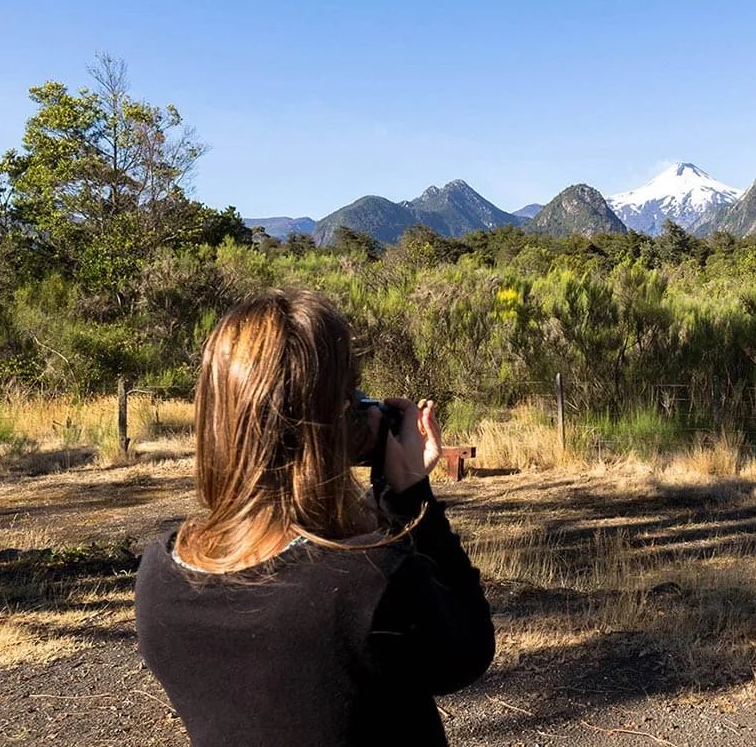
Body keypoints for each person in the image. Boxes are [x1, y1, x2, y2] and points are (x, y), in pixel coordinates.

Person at [134, 288, 494, 747]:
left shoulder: (161, 573)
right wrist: (406, 492)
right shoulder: (369, 582)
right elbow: (468, 651)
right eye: (356, 393)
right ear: (336, 417)